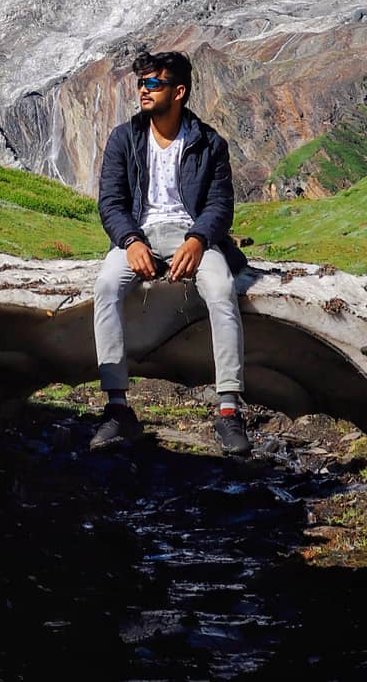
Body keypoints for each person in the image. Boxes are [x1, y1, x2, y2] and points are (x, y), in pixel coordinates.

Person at [91, 49, 251, 455]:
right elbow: (110, 200)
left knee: (220, 288)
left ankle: (229, 410)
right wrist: (130, 241)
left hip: (191, 235)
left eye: (153, 84)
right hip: (139, 234)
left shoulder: (210, 143)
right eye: (141, 83)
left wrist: (198, 240)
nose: (143, 91)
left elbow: (220, 204)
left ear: (178, 92)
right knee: (107, 285)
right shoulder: (124, 138)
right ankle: (117, 407)